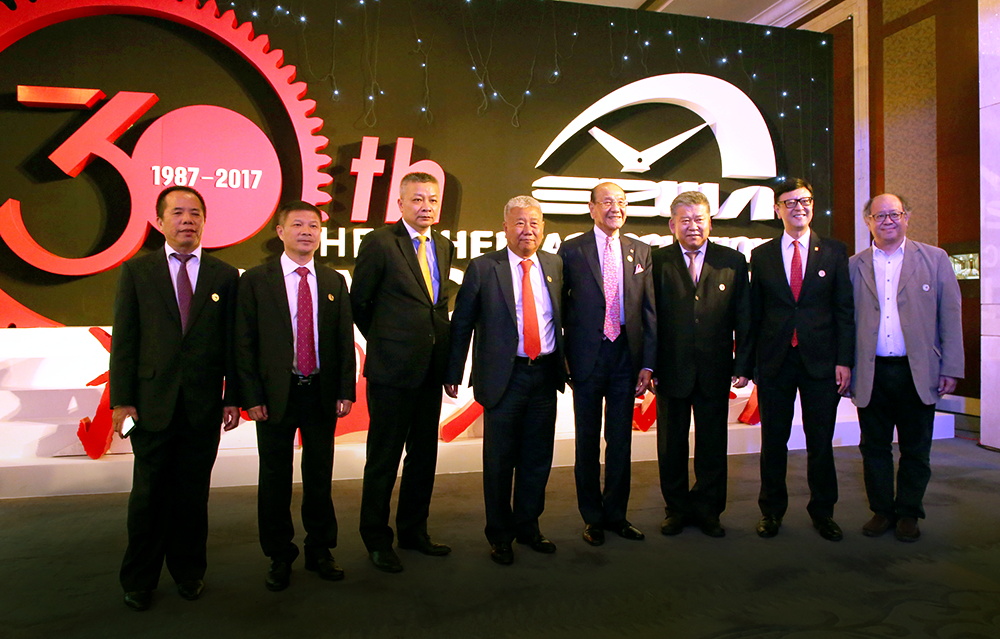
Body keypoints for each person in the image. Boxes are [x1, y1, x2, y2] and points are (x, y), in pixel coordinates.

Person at [109, 186, 240, 611]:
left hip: (203, 405)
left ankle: (189, 572)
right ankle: (139, 579)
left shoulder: (225, 275)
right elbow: (125, 340)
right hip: (152, 403)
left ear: (204, 221)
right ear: (160, 221)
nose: (188, 220)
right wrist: (122, 400)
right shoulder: (137, 271)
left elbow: (233, 343)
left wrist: (233, 397)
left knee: (192, 495)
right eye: (178, 213)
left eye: (195, 213)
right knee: (148, 495)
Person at [236, 201, 356, 590]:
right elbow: (244, 343)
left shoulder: (334, 281)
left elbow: (343, 340)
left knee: (319, 475)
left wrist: (345, 389)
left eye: (313, 226)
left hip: (320, 391)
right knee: (275, 478)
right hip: (275, 394)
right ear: (280, 231)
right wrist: (251, 395)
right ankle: (279, 555)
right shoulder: (256, 280)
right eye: (298, 224)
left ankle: (320, 549)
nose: (307, 231)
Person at [445, 196, 565, 565]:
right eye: (520, 223)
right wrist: (453, 371)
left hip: (544, 374)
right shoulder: (484, 267)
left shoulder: (554, 265)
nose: (527, 230)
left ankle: (529, 526)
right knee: (499, 461)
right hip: (503, 378)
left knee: (537, 458)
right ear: (505, 228)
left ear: (542, 228)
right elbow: (462, 323)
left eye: (534, 223)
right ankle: (499, 535)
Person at [351, 172, 455, 573]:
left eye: (432, 200)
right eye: (417, 199)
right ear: (400, 204)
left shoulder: (443, 245)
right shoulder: (380, 242)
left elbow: (436, 307)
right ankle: (376, 539)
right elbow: (360, 303)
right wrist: (387, 342)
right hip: (392, 370)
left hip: (431, 368)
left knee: (423, 457)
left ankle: (414, 531)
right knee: (384, 458)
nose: (426, 206)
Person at [849, 193, 963, 542]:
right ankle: (882, 510)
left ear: (906, 217)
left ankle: (909, 512)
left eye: (894, 214)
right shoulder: (854, 265)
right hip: (872, 371)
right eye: (879, 216)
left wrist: (951, 366)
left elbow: (950, 314)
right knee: (874, 448)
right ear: (868, 221)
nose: (887, 221)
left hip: (918, 370)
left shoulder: (935, 259)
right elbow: (844, 320)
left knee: (916, 448)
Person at [749, 177, 854, 541]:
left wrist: (844, 360)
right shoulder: (762, 254)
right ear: (777, 209)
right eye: (790, 202)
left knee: (820, 441)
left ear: (812, 205)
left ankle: (823, 513)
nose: (799, 208)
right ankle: (771, 512)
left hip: (821, 362)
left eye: (805, 201)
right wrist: (751, 364)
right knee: (773, 441)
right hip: (775, 361)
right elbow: (755, 313)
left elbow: (844, 311)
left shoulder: (834, 251)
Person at [557, 182, 655, 546]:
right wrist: (563, 357)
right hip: (586, 357)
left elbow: (650, 311)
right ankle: (592, 518)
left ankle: (617, 515)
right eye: (608, 202)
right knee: (586, 441)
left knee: (620, 441)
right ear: (592, 208)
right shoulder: (572, 250)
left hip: (625, 358)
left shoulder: (641, 251)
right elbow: (558, 308)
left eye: (622, 202)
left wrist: (648, 362)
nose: (616, 208)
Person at [652, 191, 751, 538]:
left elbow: (744, 317)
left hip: (715, 368)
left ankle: (709, 511)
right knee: (671, 446)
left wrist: (743, 364)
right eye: (685, 220)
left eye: (699, 219)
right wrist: (648, 366)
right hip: (670, 369)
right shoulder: (656, 261)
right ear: (672, 225)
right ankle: (676, 510)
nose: (693, 226)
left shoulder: (732, 261)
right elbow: (648, 318)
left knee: (712, 446)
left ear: (710, 223)